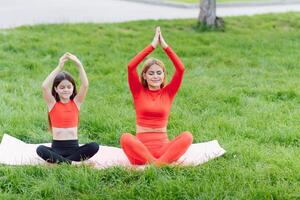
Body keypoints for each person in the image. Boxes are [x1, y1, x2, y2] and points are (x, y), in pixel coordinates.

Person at [120, 27, 193, 166]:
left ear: (164, 75)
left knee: (187, 136)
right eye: (151, 73)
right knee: (125, 138)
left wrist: (165, 46)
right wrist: (152, 46)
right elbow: (131, 67)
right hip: (141, 151)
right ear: (145, 76)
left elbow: (181, 69)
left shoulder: (168, 92)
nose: (155, 76)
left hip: (164, 151)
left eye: (159, 73)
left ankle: (155, 165)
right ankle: (159, 165)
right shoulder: (138, 91)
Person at [36, 52, 99, 165]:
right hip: (56, 150)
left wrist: (79, 65)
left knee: (94, 146)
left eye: (69, 87)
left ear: (73, 88)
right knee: (40, 149)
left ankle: (62, 163)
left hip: (74, 150)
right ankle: (74, 164)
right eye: (62, 87)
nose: (66, 90)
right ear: (56, 89)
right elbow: (44, 86)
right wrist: (59, 67)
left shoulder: (76, 102)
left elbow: (85, 85)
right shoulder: (52, 104)